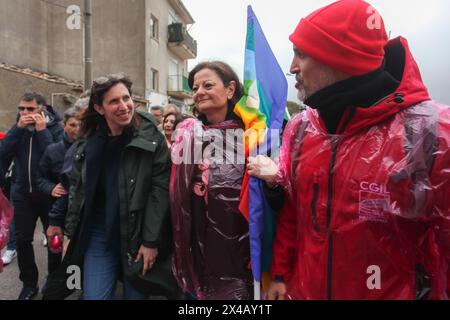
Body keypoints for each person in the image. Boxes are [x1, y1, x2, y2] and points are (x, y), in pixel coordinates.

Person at [248, 0, 450, 300]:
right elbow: (294, 213)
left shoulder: (430, 132)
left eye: (301, 54)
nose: (291, 68)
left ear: (340, 58)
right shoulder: (303, 129)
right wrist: (280, 273)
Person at [63, 73, 178, 300]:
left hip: (137, 232)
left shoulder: (149, 134)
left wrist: (150, 241)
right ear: (99, 108)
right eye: (114, 101)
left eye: (126, 98)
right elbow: (77, 190)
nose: (124, 106)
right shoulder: (88, 139)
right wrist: (70, 233)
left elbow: (160, 190)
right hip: (98, 231)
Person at [170, 61, 254, 300]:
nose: (199, 92)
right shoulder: (188, 135)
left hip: (237, 254)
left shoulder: (251, 134)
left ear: (230, 89)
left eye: (207, 85)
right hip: (194, 247)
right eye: (195, 88)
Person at [0, 92, 64, 300]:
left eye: (30, 109)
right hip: (22, 194)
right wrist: (17, 130)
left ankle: (53, 281)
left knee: (54, 239)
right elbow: (3, 153)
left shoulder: (55, 128)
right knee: (22, 240)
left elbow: (56, 160)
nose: (24, 113)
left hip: (48, 194)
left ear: (42, 109)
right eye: (21, 109)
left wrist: (42, 132)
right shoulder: (17, 128)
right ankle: (29, 284)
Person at [38, 108, 80, 251]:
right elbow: (39, 178)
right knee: (55, 253)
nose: (77, 129)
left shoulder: (92, 149)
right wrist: (50, 188)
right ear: (64, 125)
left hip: (81, 213)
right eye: (73, 125)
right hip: (58, 211)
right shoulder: (53, 150)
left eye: (81, 124)